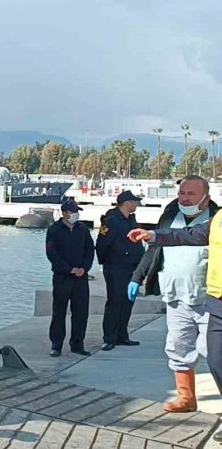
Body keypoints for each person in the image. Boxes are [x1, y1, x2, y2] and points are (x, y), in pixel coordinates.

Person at [129, 213, 222, 443]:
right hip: (217, 302)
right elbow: (187, 234)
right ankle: (186, 398)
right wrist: (153, 235)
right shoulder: (219, 218)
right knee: (217, 361)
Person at [97, 190, 145, 351]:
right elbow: (102, 244)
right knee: (115, 301)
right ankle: (109, 338)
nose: (137, 204)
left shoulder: (131, 220)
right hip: (115, 268)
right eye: (134, 201)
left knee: (127, 302)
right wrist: (107, 263)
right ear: (126, 203)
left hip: (131, 268)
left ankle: (122, 335)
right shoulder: (111, 221)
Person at [45, 200, 95, 357]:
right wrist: (68, 269)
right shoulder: (54, 230)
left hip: (81, 277)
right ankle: (56, 344)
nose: (76, 214)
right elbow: (52, 254)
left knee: (81, 312)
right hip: (62, 277)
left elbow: (90, 250)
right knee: (59, 311)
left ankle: (77, 344)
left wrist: (84, 268)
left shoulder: (83, 229)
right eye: (73, 211)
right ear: (65, 212)